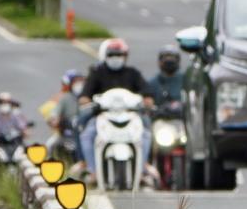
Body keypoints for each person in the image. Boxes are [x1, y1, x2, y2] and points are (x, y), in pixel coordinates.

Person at [78, 37, 153, 173]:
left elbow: (147, 94)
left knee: (146, 133)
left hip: (130, 116)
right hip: (103, 116)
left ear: (125, 56)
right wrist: (88, 102)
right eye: (112, 55)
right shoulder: (97, 73)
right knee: (86, 135)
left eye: (119, 55)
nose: (115, 58)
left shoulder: (133, 73)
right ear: (106, 56)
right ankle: (92, 169)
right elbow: (84, 97)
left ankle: (143, 168)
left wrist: (147, 101)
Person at [148, 45, 187, 115]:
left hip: (183, 120)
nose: (169, 61)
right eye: (165, 58)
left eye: (173, 58)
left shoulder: (186, 80)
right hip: (161, 120)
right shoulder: (152, 83)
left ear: (178, 61)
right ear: (159, 62)